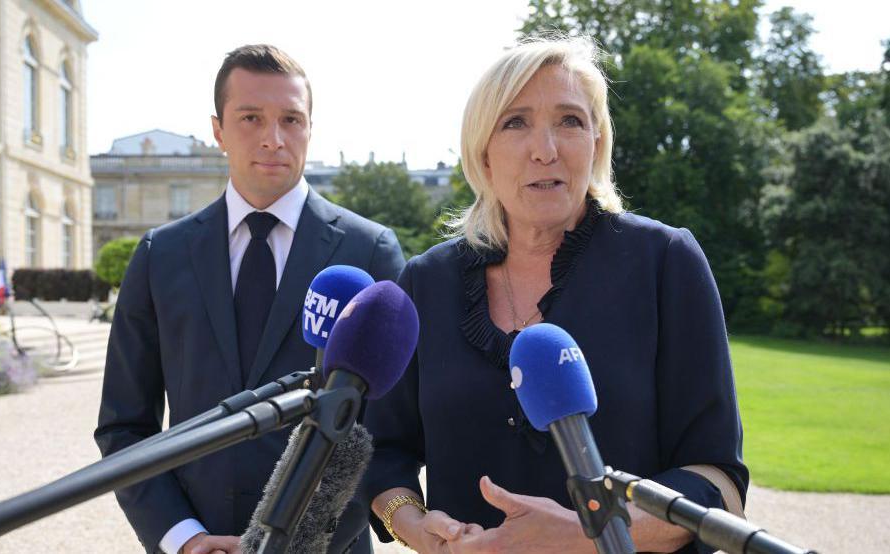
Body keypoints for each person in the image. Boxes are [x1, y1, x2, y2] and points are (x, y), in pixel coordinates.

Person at [363, 36, 747, 554]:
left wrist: (588, 533)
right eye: (516, 122)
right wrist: (417, 528)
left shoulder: (665, 263)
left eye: (570, 121)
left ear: (596, 142)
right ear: (483, 152)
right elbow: (384, 450)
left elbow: (718, 480)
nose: (546, 149)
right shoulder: (426, 282)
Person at [94, 44, 406, 554]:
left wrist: (294, 542)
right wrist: (183, 538)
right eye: (250, 118)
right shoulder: (161, 255)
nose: (273, 139)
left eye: (291, 119)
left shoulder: (369, 251)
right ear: (217, 129)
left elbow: (389, 430)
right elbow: (125, 426)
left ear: (310, 127)